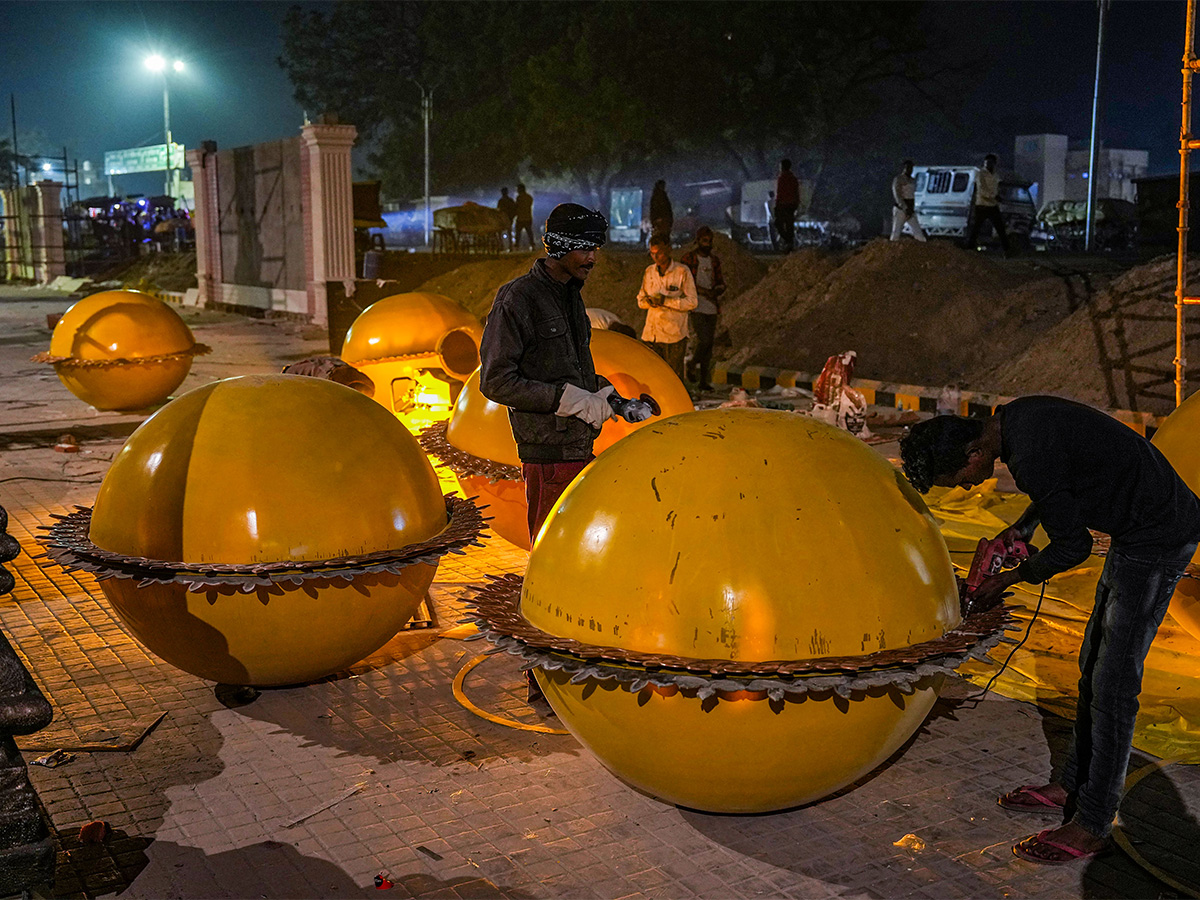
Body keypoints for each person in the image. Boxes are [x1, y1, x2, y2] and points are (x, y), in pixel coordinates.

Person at [899, 396, 1200, 865]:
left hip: (1158, 535)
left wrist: (1012, 577)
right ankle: (1073, 785)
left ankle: (1094, 822)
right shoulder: (1019, 419)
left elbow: (1074, 547)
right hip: (1137, 526)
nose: (969, 485)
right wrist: (1021, 529)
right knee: (1092, 665)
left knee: (1114, 684)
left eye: (959, 479)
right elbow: (1059, 483)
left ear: (973, 455)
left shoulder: (1028, 454)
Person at [637, 235, 697, 380]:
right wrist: (649, 302)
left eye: (659, 253)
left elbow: (692, 302)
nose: (656, 257)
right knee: (651, 376)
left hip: (673, 335)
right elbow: (640, 300)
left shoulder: (682, 272)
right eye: (652, 253)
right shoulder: (649, 272)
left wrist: (667, 301)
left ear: (669, 250)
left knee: (673, 378)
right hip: (652, 334)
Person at [679, 226, 726, 391]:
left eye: (709, 241)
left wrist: (716, 291)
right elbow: (685, 283)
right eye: (704, 241)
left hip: (711, 306)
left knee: (708, 345)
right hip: (696, 305)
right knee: (704, 340)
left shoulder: (714, 261)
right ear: (698, 241)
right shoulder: (689, 259)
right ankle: (691, 364)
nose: (707, 244)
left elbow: (721, 282)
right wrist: (704, 292)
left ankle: (703, 381)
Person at [963, 153, 1011, 255]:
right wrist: (995, 196)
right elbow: (982, 190)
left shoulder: (995, 175)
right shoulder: (981, 174)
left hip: (992, 205)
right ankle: (969, 248)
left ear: (994, 164)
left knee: (1000, 228)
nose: (988, 165)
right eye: (986, 163)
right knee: (976, 228)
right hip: (982, 205)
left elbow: (997, 187)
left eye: (990, 163)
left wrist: (999, 194)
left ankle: (1007, 249)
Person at [890, 159, 927, 243]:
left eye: (911, 168)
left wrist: (911, 209)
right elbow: (897, 195)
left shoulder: (912, 180)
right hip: (901, 209)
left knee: (918, 232)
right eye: (908, 168)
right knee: (896, 232)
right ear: (904, 168)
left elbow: (912, 196)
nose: (910, 170)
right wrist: (905, 208)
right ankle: (892, 250)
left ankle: (923, 249)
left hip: (910, 208)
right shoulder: (899, 179)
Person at [775, 159, 800, 253]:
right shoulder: (793, 178)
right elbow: (796, 192)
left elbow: (780, 193)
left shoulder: (781, 178)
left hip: (783, 204)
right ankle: (789, 243)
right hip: (792, 204)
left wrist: (777, 204)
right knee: (789, 224)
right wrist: (797, 203)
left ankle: (787, 241)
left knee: (778, 223)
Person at [513, 183, 535, 251]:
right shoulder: (529, 197)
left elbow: (516, 207)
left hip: (520, 218)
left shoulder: (519, 198)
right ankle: (532, 245)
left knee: (518, 233)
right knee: (529, 232)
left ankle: (517, 246)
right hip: (528, 217)